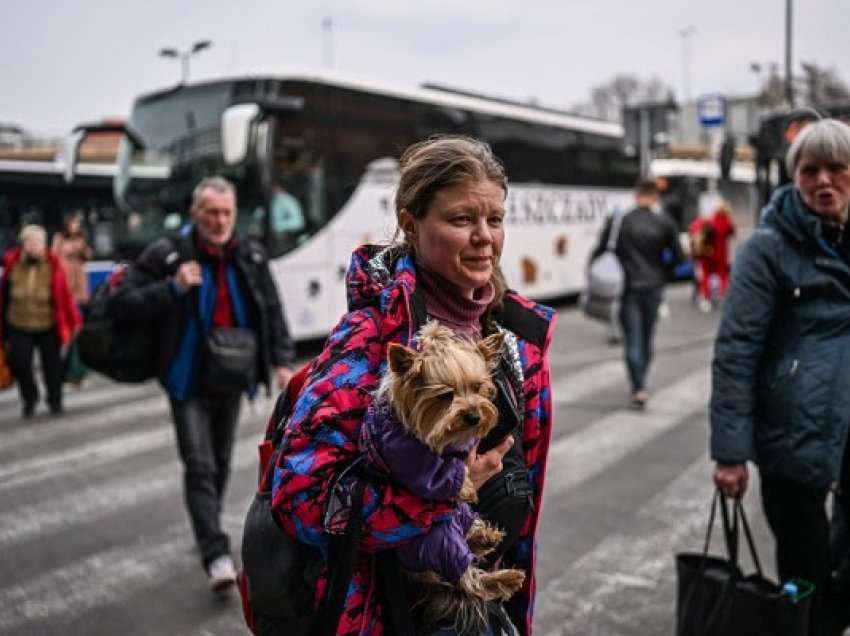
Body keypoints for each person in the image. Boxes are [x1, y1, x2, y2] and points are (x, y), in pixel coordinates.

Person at [265, 136, 556, 636]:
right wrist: (438, 497)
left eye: (495, 219)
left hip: (482, 606)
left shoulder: (514, 340)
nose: (484, 237)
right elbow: (300, 496)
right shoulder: (371, 340)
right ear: (410, 223)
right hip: (391, 615)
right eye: (462, 219)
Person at [112, 176, 296, 593]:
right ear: (195, 214)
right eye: (211, 212)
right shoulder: (167, 253)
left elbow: (271, 307)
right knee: (200, 464)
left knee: (221, 461)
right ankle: (215, 550)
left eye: (226, 212)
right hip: (186, 377)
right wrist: (172, 288)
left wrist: (283, 361)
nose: (219, 220)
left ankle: (205, 521)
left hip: (232, 375)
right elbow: (124, 304)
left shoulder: (248, 253)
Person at [711, 118, 850, 636]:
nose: (824, 181)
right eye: (810, 170)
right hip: (793, 435)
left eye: (837, 168)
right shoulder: (767, 249)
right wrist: (730, 452)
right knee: (805, 572)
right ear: (795, 177)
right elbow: (736, 350)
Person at [589, 179, 683, 409]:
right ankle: (642, 379)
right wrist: (663, 274)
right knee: (647, 335)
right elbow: (679, 256)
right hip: (654, 287)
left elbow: (602, 249)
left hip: (628, 286)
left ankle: (638, 386)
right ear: (655, 197)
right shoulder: (664, 222)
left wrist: (595, 272)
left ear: (637, 195)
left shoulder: (622, 221)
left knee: (632, 336)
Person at [0, 225, 81, 417]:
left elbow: (64, 297)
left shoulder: (53, 264)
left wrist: (73, 322)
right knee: (20, 362)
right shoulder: (12, 262)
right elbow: (4, 294)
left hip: (48, 323)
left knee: (52, 366)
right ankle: (30, 397)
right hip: (18, 323)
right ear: (23, 244)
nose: (34, 247)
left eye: (38, 243)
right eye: (30, 242)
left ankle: (55, 400)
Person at [51, 211, 94, 306]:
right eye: (74, 223)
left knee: (80, 303)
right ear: (67, 224)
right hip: (65, 273)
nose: (76, 225)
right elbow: (53, 255)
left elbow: (88, 256)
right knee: (65, 301)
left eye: (77, 223)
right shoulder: (59, 238)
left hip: (79, 274)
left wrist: (83, 248)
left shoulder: (80, 238)